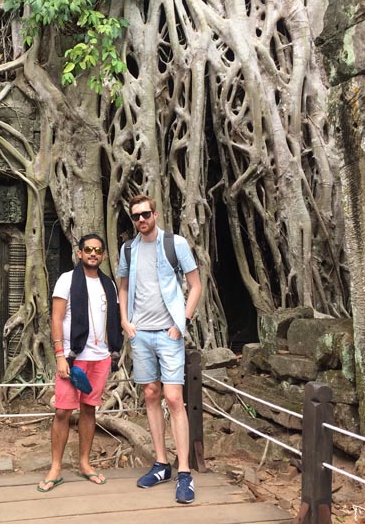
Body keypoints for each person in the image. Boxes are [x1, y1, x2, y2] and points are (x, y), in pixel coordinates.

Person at [117, 194, 202, 504]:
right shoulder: (128, 249)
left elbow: (196, 285)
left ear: (155, 214)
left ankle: (184, 472)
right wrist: (125, 321)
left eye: (146, 214)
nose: (141, 219)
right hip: (140, 334)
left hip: (169, 334)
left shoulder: (175, 244)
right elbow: (123, 286)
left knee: (174, 397)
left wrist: (183, 321)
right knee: (151, 395)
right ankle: (161, 464)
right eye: (136, 216)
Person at [37, 233, 122, 492]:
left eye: (97, 250)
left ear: (103, 255)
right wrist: (59, 356)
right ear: (79, 253)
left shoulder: (109, 284)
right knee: (63, 411)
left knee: (89, 410)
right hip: (73, 358)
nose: (93, 253)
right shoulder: (67, 280)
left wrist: (113, 351)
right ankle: (55, 467)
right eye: (88, 249)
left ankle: (85, 463)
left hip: (100, 357)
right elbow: (56, 318)